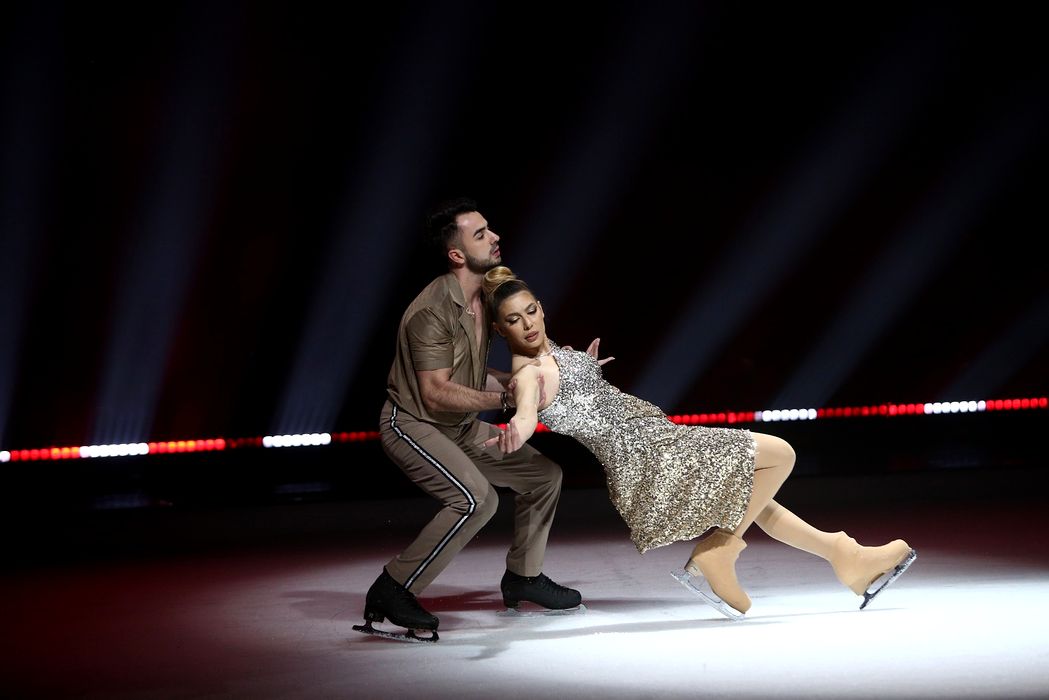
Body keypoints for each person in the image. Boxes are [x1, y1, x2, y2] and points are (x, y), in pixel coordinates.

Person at [481, 265, 917, 620]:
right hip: (650, 455)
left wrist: (584, 370)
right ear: (500, 329)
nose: (528, 324)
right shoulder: (528, 375)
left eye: (531, 311)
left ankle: (847, 558)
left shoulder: (550, 354)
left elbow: (569, 393)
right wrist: (515, 430)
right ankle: (719, 551)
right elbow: (525, 409)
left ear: (541, 308)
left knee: (754, 497)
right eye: (514, 320)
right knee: (781, 455)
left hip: (655, 441)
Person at [355, 199, 582, 643]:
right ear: (456, 254)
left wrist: (533, 379)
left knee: (544, 476)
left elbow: (473, 377)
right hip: (414, 425)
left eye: (489, 229)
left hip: (458, 426)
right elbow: (435, 391)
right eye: (481, 234)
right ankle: (392, 588)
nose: (494, 237)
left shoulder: (482, 301)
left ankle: (523, 577)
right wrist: (506, 398)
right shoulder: (432, 310)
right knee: (476, 499)